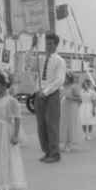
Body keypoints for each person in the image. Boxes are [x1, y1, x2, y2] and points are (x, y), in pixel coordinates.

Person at [33, 33, 66, 163]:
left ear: (56, 45)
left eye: (51, 43)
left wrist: (46, 92)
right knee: (41, 124)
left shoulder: (59, 60)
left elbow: (59, 80)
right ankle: (46, 151)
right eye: (46, 43)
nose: (48, 46)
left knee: (51, 124)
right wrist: (32, 46)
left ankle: (54, 153)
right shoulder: (41, 58)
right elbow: (28, 63)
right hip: (39, 93)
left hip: (51, 94)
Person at [60, 72, 82, 152]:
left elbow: (80, 99)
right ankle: (64, 143)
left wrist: (70, 98)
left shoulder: (74, 87)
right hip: (64, 107)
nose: (64, 79)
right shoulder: (62, 86)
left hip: (72, 107)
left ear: (69, 79)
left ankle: (69, 144)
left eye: (65, 78)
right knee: (63, 124)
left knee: (70, 125)